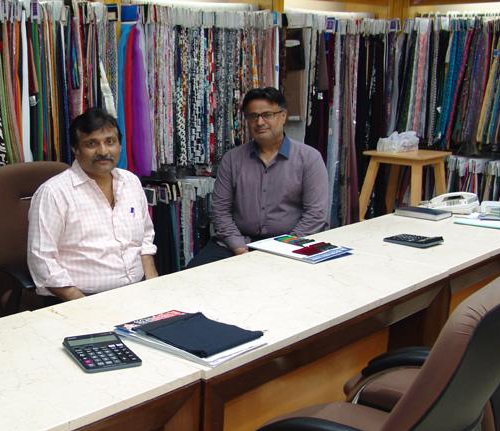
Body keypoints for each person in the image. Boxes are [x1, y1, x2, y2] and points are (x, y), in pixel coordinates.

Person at [187, 87, 328, 268]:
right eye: (253, 116)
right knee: (193, 274)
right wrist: (238, 246)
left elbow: (315, 214)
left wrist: (286, 246)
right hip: (238, 242)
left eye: (267, 115)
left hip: (291, 243)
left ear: (283, 116)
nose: (260, 122)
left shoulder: (309, 158)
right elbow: (220, 210)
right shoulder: (232, 159)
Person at [27, 107, 158, 301]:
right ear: (75, 149)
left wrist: (153, 285)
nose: (103, 151)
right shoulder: (54, 193)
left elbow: (145, 238)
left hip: (137, 293)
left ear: (120, 146)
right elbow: (42, 261)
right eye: (91, 143)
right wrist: (86, 306)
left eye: (110, 142)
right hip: (81, 298)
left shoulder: (131, 182)